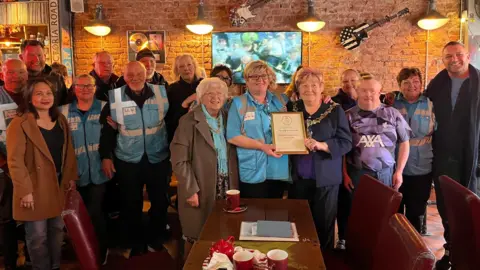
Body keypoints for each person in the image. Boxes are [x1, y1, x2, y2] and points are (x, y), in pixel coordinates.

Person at [99, 61, 170, 255]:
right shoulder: (114, 98)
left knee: (160, 201)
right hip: (128, 160)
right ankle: (135, 241)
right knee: (131, 203)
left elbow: (172, 121)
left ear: (146, 73)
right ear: (123, 76)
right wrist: (106, 156)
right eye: (130, 75)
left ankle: (156, 238)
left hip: (158, 157)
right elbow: (107, 130)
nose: (135, 78)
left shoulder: (162, 92)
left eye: (139, 74)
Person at [6, 78, 78, 270]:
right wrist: (25, 191)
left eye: (48, 93)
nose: (45, 97)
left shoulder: (60, 120)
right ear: (29, 98)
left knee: (56, 232)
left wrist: (71, 178)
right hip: (34, 188)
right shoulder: (19, 124)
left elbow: (68, 151)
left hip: (57, 185)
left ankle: (54, 267)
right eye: (39, 93)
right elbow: (14, 160)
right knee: (38, 237)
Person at [424, 41, 480, 270]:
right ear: (443, 59)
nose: (454, 59)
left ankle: (469, 256)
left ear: (467, 55)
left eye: (458, 54)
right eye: (448, 56)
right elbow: (422, 102)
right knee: (446, 206)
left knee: (468, 207)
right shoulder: (438, 83)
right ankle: (451, 250)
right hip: (444, 156)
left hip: (473, 157)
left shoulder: (479, 83)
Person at [171, 77, 239, 260]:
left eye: (219, 93)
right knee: (197, 235)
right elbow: (179, 160)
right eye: (210, 93)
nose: (215, 97)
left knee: (224, 230)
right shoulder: (188, 121)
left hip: (228, 183)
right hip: (201, 184)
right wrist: (190, 189)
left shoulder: (228, 117)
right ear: (200, 97)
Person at [287, 68, 352, 250]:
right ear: (298, 88)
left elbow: (346, 142)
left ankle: (323, 263)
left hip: (326, 180)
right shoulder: (291, 109)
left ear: (322, 87)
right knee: (298, 226)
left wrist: (323, 145)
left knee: (323, 228)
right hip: (298, 180)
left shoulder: (334, 110)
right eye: (304, 85)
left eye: (314, 85)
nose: (309, 89)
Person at [342, 78, 411, 247]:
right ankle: (356, 248)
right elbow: (342, 148)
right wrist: (344, 174)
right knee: (358, 214)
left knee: (383, 214)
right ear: (357, 91)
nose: (368, 94)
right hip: (357, 173)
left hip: (385, 173)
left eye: (372, 91)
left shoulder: (393, 114)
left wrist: (399, 171)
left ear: (379, 92)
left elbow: (405, 143)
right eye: (364, 90)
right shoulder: (347, 116)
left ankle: (379, 249)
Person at [59, 74, 109, 265]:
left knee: (95, 213)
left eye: (89, 86)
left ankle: (99, 251)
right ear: (74, 89)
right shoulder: (62, 111)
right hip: (75, 174)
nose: (86, 89)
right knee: (76, 215)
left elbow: (112, 136)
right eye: (81, 86)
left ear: (95, 88)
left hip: (99, 172)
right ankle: (82, 251)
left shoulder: (105, 107)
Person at [227, 60, 289, 198]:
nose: (259, 80)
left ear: (269, 79)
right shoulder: (238, 103)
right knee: (253, 214)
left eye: (263, 76)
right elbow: (232, 136)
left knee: (275, 212)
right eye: (254, 76)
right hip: (252, 169)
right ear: (246, 80)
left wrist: (325, 97)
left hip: (277, 167)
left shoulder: (282, 100)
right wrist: (262, 146)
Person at [390, 68, 435, 234]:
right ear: (399, 86)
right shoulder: (391, 103)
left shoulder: (431, 104)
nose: (412, 86)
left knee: (416, 212)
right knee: (395, 210)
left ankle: (414, 250)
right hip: (396, 166)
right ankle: (396, 246)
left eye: (416, 82)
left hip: (422, 167)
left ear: (421, 84)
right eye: (406, 82)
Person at [0, 59, 28, 270]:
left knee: (31, 214)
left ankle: (30, 257)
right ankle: (10, 263)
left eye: (20, 72)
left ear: (26, 74)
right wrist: (5, 165)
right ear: (2, 74)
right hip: (4, 170)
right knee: (6, 219)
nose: (15, 76)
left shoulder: (35, 96)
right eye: (10, 72)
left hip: (31, 168)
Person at [333, 68, 360, 250]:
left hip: (363, 159)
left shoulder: (370, 100)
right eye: (345, 81)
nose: (349, 84)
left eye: (353, 80)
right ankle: (342, 237)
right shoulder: (335, 104)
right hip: (343, 158)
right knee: (344, 202)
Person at [165, 54, 203, 142]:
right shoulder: (172, 89)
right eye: (181, 66)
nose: (186, 68)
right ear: (177, 70)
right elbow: (170, 119)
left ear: (194, 66)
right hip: (181, 135)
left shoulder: (204, 84)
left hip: (202, 135)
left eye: (189, 64)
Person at [19, 40, 69, 106]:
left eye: (39, 55)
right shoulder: (15, 79)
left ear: (44, 56)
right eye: (31, 55)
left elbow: (65, 105)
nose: (36, 59)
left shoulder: (57, 78)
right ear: (21, 57)